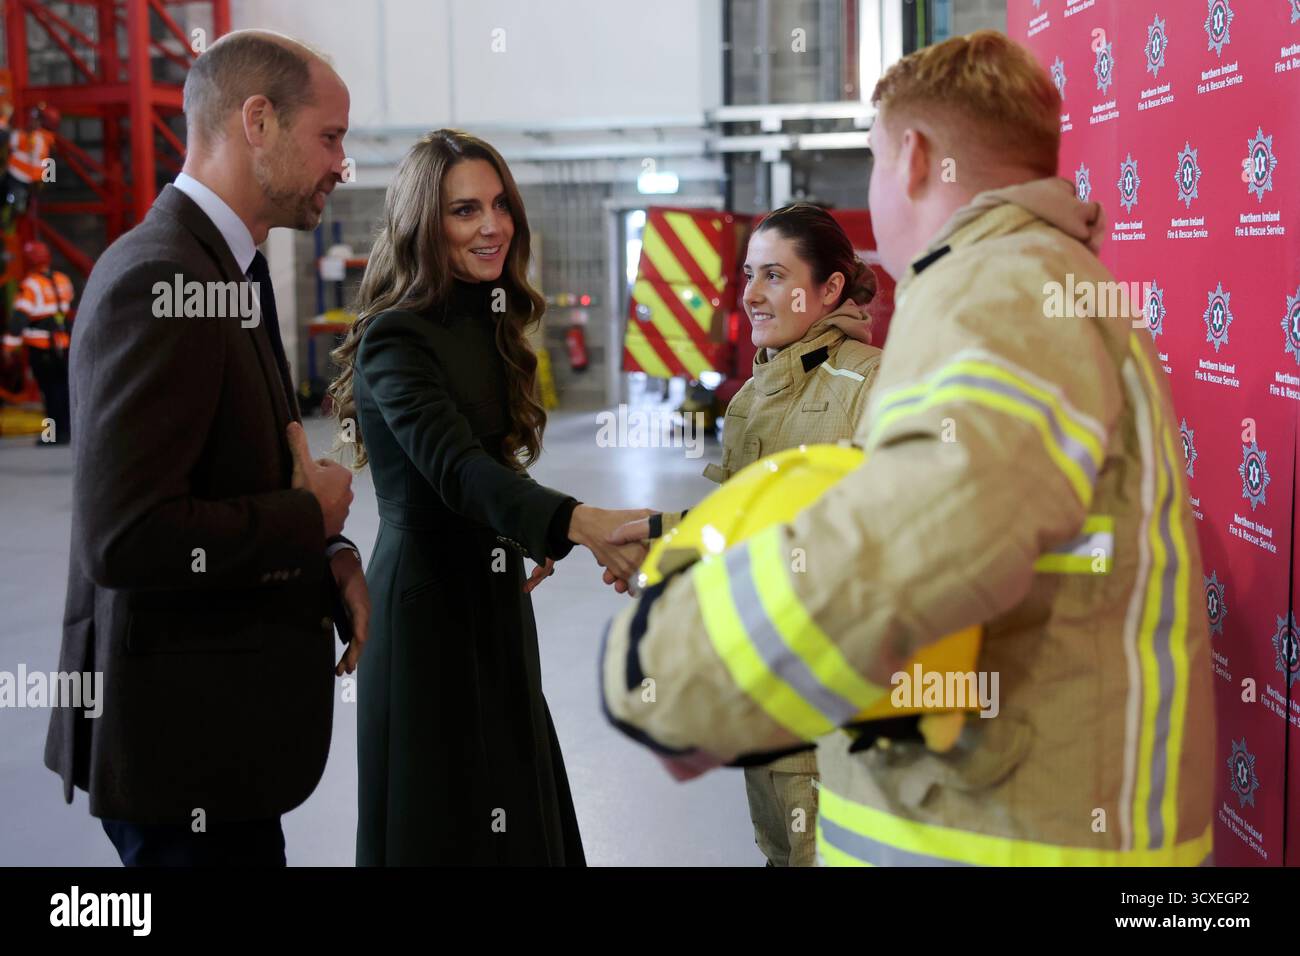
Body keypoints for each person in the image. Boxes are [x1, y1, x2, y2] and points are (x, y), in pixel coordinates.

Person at [599, 31, 1214, 867]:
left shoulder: (1000, 285)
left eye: (874, 162)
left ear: (915, 158)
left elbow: (937, 523)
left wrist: (679, 666)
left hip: (1012, 836)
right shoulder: (1035, 276)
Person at [44, 30, 369, 867]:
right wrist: (307, 518)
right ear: (257, 121)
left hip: (218, 753)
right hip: (181, 757)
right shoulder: (164, 279)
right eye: (330, 137)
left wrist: (327, 554)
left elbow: (227, 473)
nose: (343, 164)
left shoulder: (227, 270)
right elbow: (128, 535)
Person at [329, 128, 649, 866]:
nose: (492, 225)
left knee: (511, 803)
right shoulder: (396, 341)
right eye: (464, 210)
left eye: (499, 204)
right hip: (425, 615)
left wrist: (529, 531)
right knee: (443, 823)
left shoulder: (489, 319)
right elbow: (456, 471)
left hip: (493, 600)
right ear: (422, 224)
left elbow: (490, 468)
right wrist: (573, 522)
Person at [611, 202, 881, 866]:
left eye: (773, 275)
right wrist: (659, 540)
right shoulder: (753, 396)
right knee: (783, 846)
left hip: (838, 690)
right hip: (765, 675)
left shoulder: (872, 386)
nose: (752, 295)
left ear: (830, 289)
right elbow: (744, 527)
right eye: (747, 276)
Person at [5, 240, 74, 444]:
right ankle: (65, 432)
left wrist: (8, 347)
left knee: (49, 393)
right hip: (63, 345)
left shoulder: (30, 285)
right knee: (63, 389)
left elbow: (19, 319)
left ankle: (50, 435)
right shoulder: (62, 280)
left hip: (42, 348)